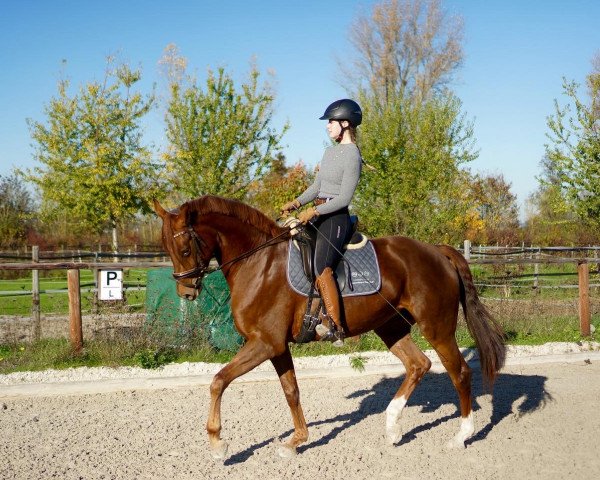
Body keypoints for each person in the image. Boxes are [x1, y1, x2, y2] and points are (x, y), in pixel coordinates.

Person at [281, 99, 363, 346]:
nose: (327, 127)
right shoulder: (329, 152)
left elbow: (344, 197)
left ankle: (335, 327)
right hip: (318, 212)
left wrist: (315, 213)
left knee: (321, 266)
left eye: (331, 122)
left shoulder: (352, 154)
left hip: (336, 218)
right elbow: (317, 186)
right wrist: (296, 203)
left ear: (345, 123)